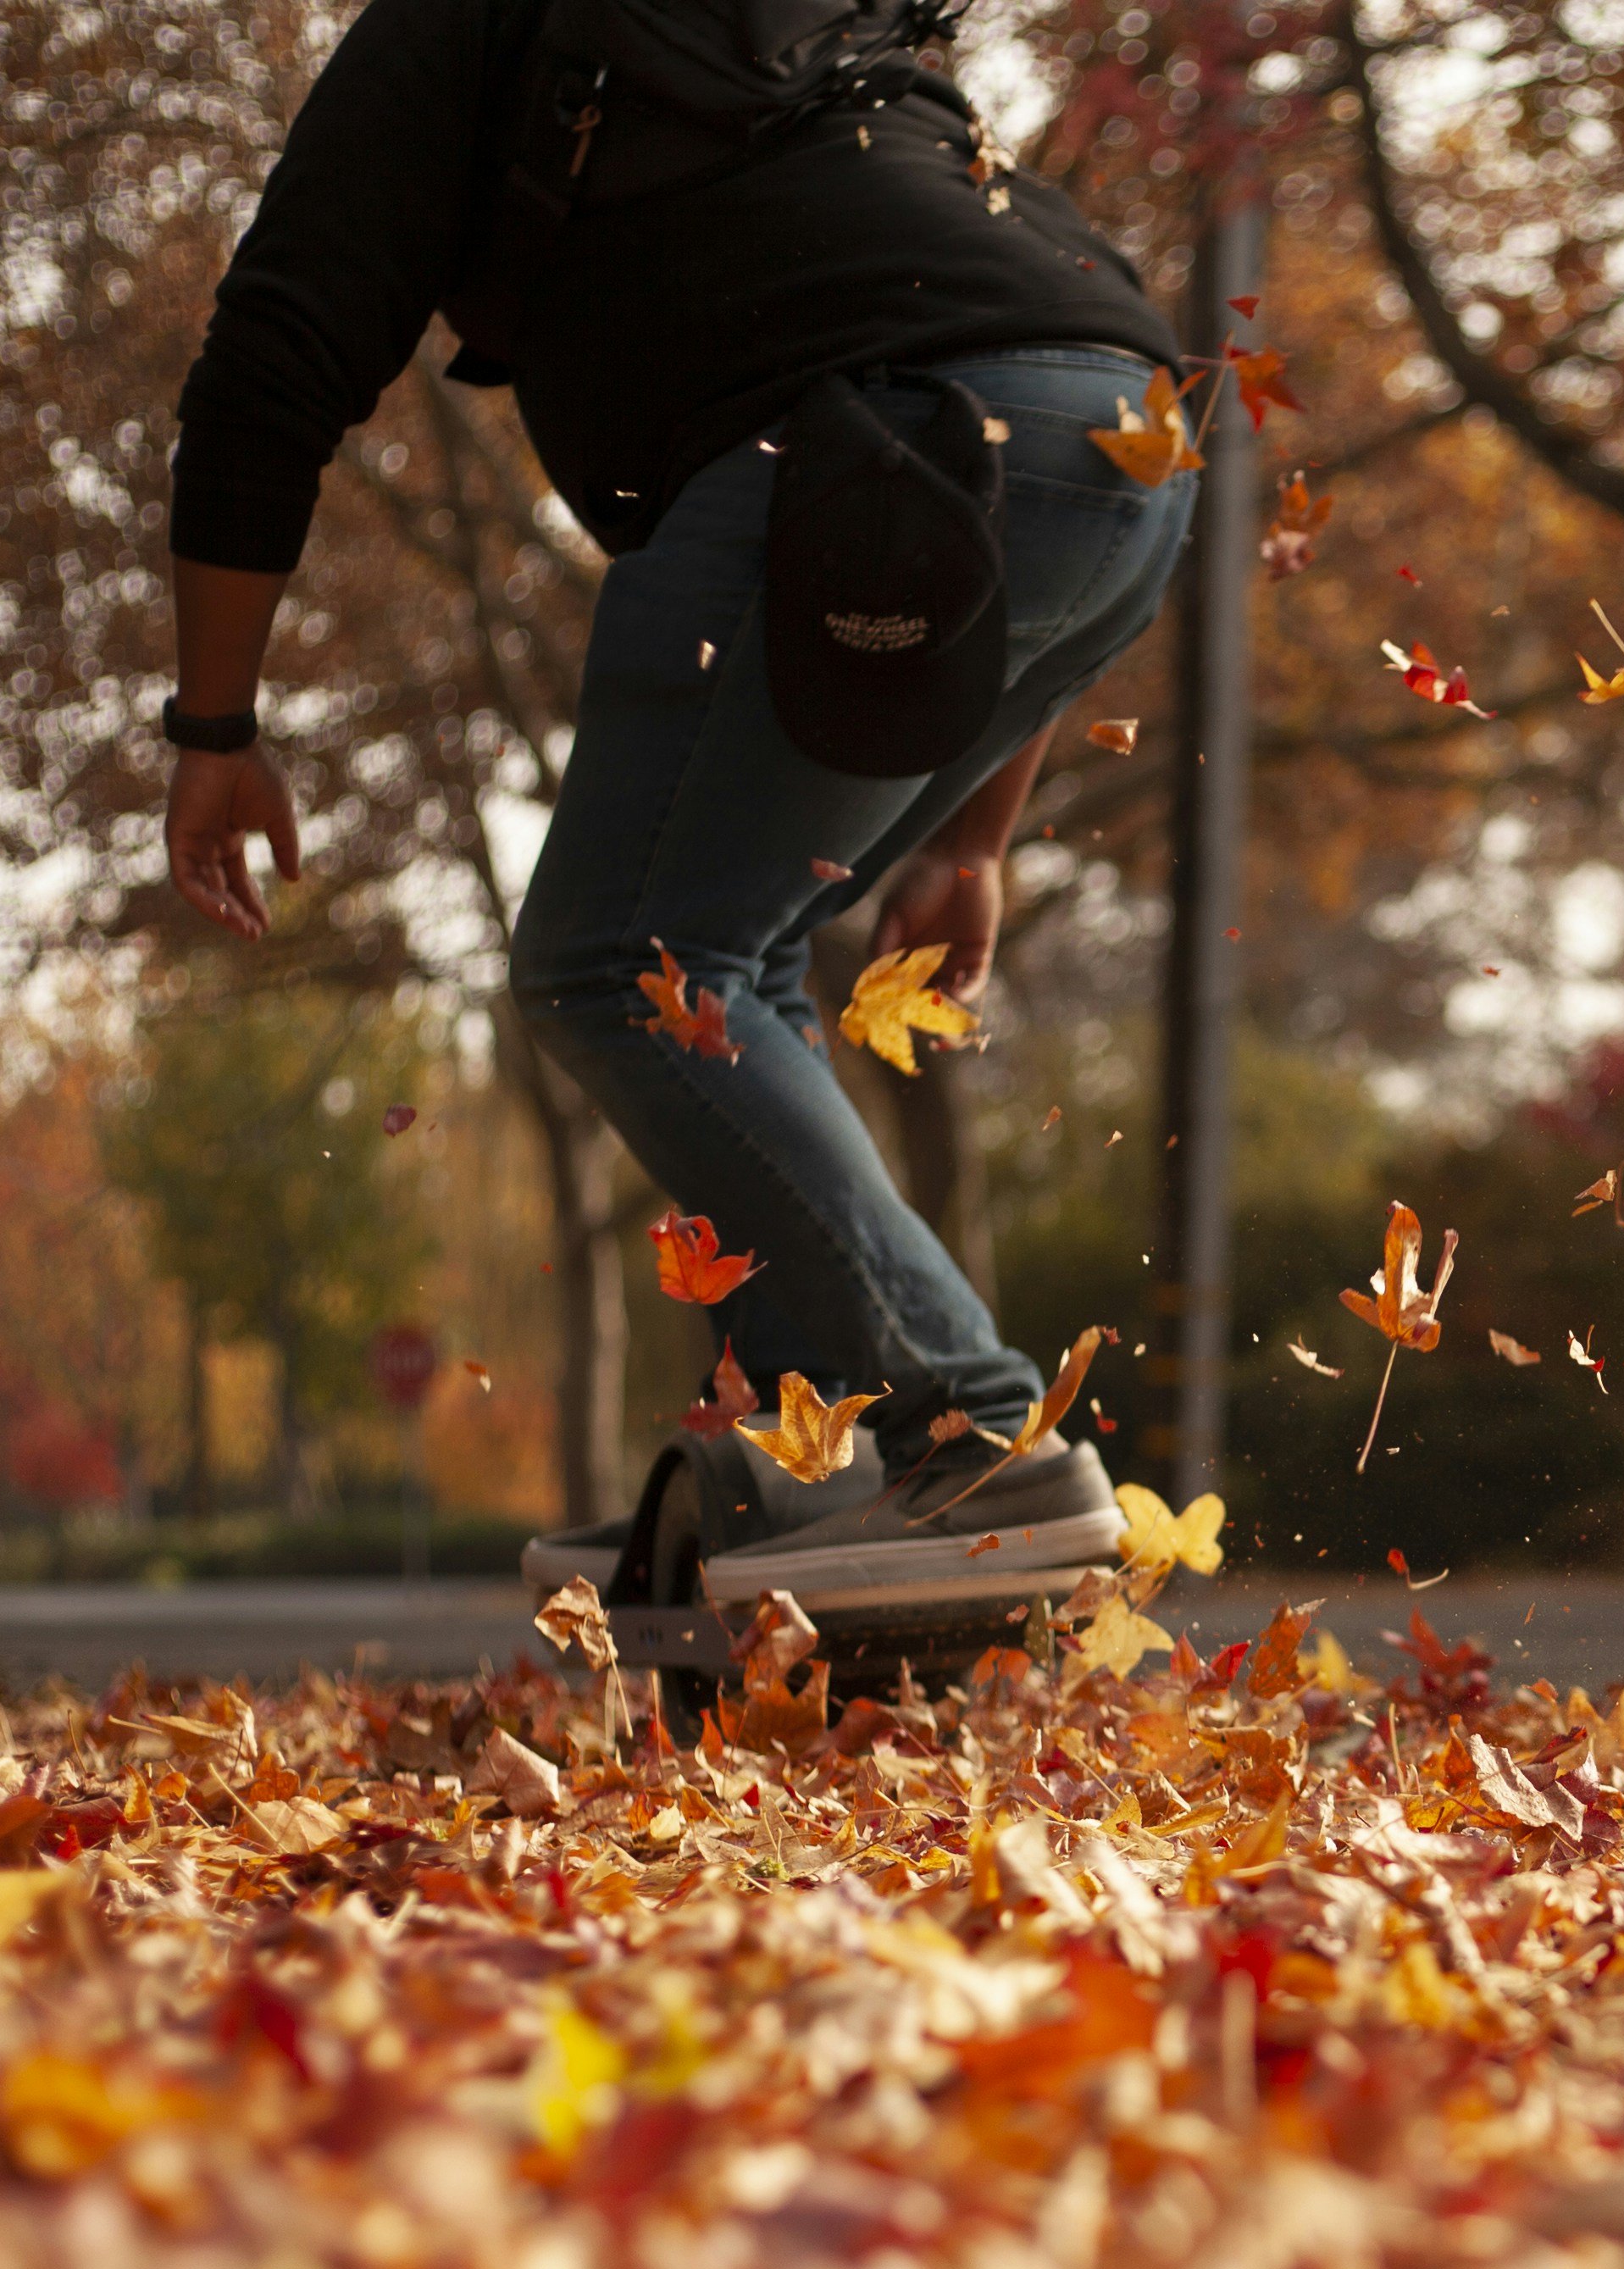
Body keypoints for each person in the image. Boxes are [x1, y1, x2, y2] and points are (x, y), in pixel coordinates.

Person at [157, 0, 1187, 1601]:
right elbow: (1007, 392)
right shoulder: (795, 27)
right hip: (1125, 444)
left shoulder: (460, 31)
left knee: (620, 961)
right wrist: (974, 839)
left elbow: (276, 351)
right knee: (727, 965)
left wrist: (214, 721)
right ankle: (816, 1480)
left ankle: (974, 1436)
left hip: (864, 447)